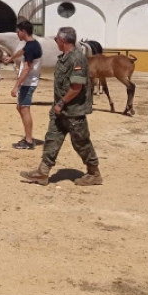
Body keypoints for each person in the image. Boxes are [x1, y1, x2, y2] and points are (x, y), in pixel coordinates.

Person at [20, 26, 102, 186]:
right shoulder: (64, 57)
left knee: (81, 142)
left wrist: (62, 102)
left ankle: (94, 173)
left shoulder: (76, 58)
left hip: (73, 110)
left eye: (57, 39)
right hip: (60, 110)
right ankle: (42, 173)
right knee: (52, 139)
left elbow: (76, 86)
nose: (56, 42)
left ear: (63, 41)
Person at [6, 20, 42, 150]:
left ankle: (28, 140)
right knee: (20, 107)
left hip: (28, 82)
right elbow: (22, 51)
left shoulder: (31, 47)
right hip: (28, 82)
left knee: (24, 109)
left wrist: (16, 86)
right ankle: (28, 137)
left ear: (24, 32)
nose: (17, 34)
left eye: (18, 31)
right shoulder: (31, 44)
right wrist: (11, 58)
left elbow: (27, 68)